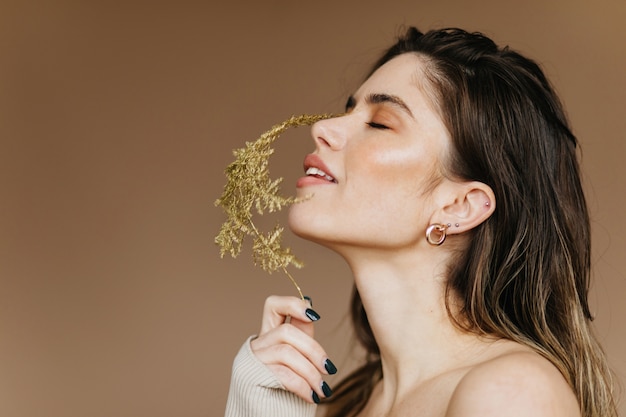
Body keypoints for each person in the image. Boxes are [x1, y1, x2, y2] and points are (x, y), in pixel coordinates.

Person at [224, 26, 618, 417]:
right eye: (349, 110)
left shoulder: (512, 394)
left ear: (460, 206)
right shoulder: (344, 406)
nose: (322, 128)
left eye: (379, 123)